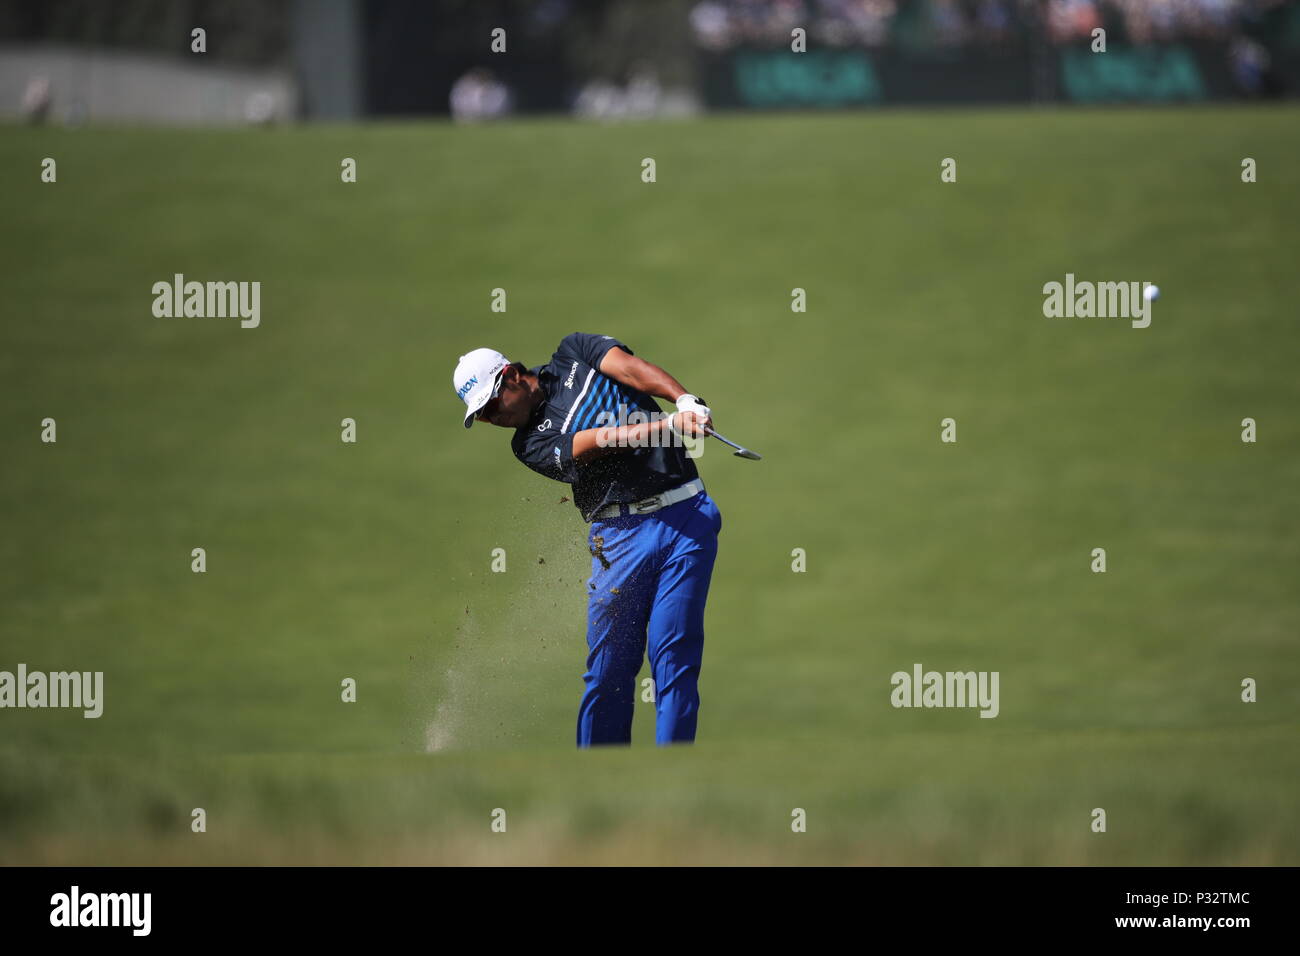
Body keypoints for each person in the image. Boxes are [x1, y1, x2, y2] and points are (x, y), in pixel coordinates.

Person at [453, 333, 722, 747]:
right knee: (609, 672)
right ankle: (598, 778)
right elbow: (596, 443)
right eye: (482, 417)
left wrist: (683, 400)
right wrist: (668, 424)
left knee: (674, 658)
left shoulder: (574, 352)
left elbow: (632, 370)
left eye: (490, 406)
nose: (491, 419)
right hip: (618, 541)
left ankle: (674, 773)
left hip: (686, 517)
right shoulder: (528, 445)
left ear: (510, 376)